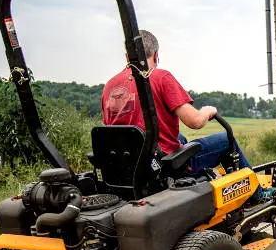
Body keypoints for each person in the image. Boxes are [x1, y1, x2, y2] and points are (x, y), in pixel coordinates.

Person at [101, 29, 250, 173]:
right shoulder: (160, 77)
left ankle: (204, 179)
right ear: (155, 55)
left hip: (128, 165)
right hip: (162, 167)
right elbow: (195, 121)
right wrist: (208, 110)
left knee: (180, 138)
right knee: (225, 139)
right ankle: (258, 193)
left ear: (128, 57)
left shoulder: (110, 85)